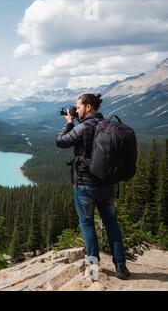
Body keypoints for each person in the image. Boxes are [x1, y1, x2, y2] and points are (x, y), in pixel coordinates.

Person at [56, 93, 130, 280]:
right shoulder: (107, 126)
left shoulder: (83, 127)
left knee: (87, 224)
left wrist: (69, 121)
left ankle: (93, 269)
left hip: (85, 186)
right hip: (107, 185)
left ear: (88, 107)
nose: (76, 109)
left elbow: (61, 141)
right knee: (112, 223)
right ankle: (120, 267)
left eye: (78, 107)